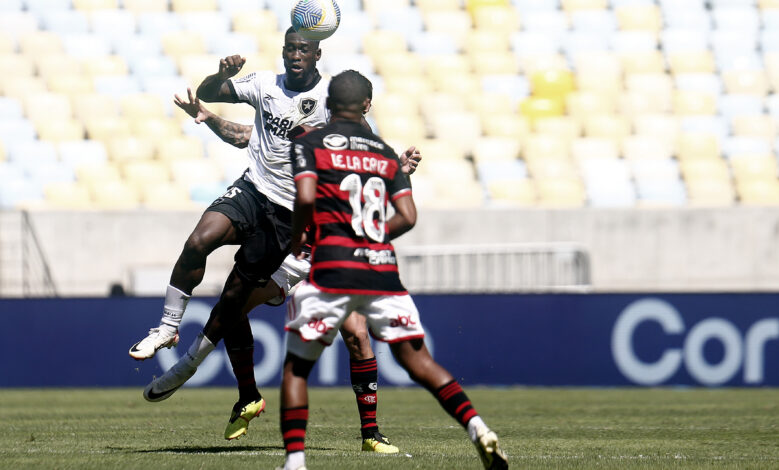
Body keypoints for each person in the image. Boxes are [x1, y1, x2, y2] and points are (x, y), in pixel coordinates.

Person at [136, 28, 419, 452]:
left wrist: (395, 166)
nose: (295, 55)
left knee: (357, 334)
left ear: (317, 53)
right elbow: (247, 135)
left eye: (303, 49)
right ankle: (237, 388)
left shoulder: (335, 108)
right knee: (225, 288)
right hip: (263, 206)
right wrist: (211, 105)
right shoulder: (268, 88)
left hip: (315, 237)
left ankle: (370, 435)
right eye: (290, 48)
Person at [279, 69, 508, 470]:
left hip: (332, 266)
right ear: (367, 105)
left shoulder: (310, 143)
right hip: (381, 270)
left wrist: (302, 235)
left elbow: (305, 197)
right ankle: (478, 428)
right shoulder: (384, 153)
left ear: (328, 104)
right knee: (419, 362)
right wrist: (369, 235)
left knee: (297, 367)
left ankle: (296, 462)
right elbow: (408, 216)